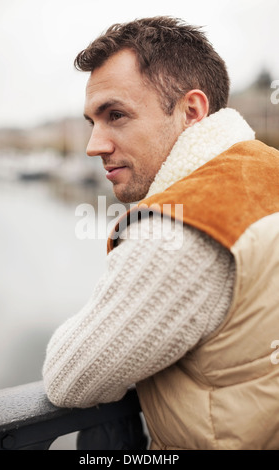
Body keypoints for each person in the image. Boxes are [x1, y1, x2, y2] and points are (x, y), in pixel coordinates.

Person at [43, 16, 279, 450]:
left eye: (116, 115)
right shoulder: (268, 169)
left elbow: (69, 378)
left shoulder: (183, 227)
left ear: (192, 111)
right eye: (93, 121)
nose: (94, 144)